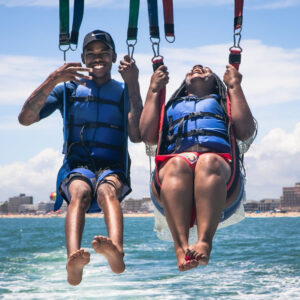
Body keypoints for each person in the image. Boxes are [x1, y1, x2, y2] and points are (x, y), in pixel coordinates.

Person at [18, 30, 143, 285]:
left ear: (114, 57)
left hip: (113, 167)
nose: (98, 58)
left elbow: (136, 134)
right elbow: (25, 119)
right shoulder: (67, 90)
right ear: (84, 58)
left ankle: (116, 251)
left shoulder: (121, 92)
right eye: (91, 54)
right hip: (78, 166)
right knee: (79, 192)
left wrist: (133, 84)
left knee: (107, 191)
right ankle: (73, 261)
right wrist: (52, 79)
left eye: (104, 53)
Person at [139, 63, 256, 271]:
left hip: (221, 177)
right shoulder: (171, 107)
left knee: (207, 161)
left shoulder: (223, 102)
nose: (198, 67)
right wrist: (154, 90)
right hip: (174, 173)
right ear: (184, 83)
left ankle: (204, 242)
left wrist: (235, 86)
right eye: (192, 69)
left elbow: (245, 131)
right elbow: (147, 136)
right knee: (177, 163)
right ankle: (180, 248)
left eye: (206, 69)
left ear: (216, 82)